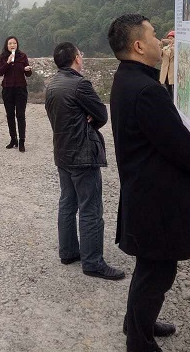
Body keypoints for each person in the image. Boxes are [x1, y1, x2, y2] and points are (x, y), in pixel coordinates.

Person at [107, 14, 190, 352]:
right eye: (154, 36)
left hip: (144, 190)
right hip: (156, 199)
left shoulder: (126, 79)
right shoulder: (147, 90)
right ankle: (139, 342)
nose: (161, 42)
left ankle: (137, 322)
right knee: (157, 272)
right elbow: (175, 141)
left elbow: (165, 136)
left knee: (149, 267)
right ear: (139, 45)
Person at [45, 42, 125, 281]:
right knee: (90, 208)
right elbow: (102, 114)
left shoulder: (52, 85)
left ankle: (68, 252)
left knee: (67, 204)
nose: (82, 57)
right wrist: (88, 119)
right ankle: (92, 262)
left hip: (62, 152)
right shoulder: (80, 85)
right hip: (82, 154)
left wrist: (84, 117)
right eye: (80, 53)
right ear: (75, 58)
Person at [0, 36, 32, 152]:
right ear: (6, 45)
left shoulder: (22, 56)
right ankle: (13, 139)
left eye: (14, 43)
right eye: (10, 43)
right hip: (7, 89)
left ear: (17, 45)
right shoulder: (3, 57)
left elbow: (28, 74)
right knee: (10, 115)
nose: (12, 45)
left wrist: (28, 70)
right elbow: (0, 72)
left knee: (20, 115)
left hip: (20, 89)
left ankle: (22, 141)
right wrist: (8, 62)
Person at [159, 30, 175, 99]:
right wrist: (161, 44)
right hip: (166, 71)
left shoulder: (176, 47)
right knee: (168, 88)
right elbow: (159, 54)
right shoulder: (165, 48)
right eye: (169, 38)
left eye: (171, 38)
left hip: (173, 71)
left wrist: (171, 44)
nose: (170, 40)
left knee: (175, 88)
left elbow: (174, 51)